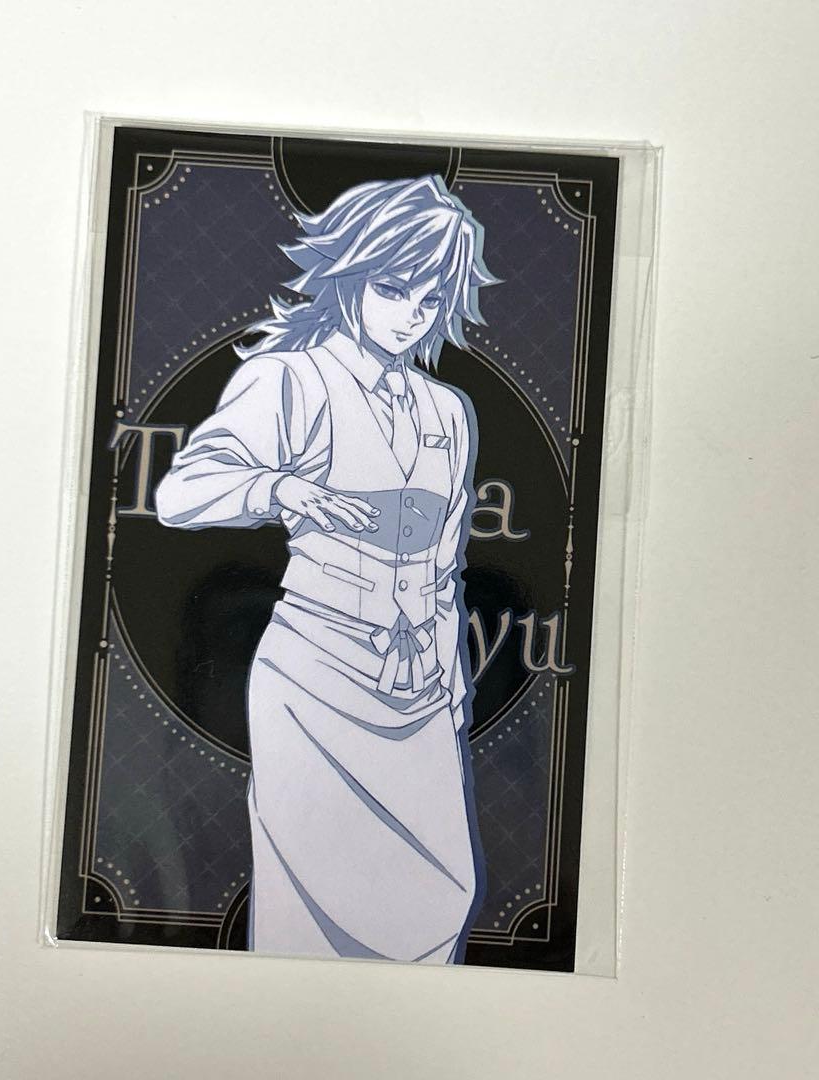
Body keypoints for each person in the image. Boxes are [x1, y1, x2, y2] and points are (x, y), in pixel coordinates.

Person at [155, 174, 498, 963]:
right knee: (310, 911)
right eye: (393, 288)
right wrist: (280, 488)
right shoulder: (291, 378)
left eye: (431, 297)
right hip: (315, 679)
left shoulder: (447, 410)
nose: (412, 313)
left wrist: (451, 689)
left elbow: (444, 564)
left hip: (419, 686)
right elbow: (181, 492)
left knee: (442, 892)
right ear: (351, 278)